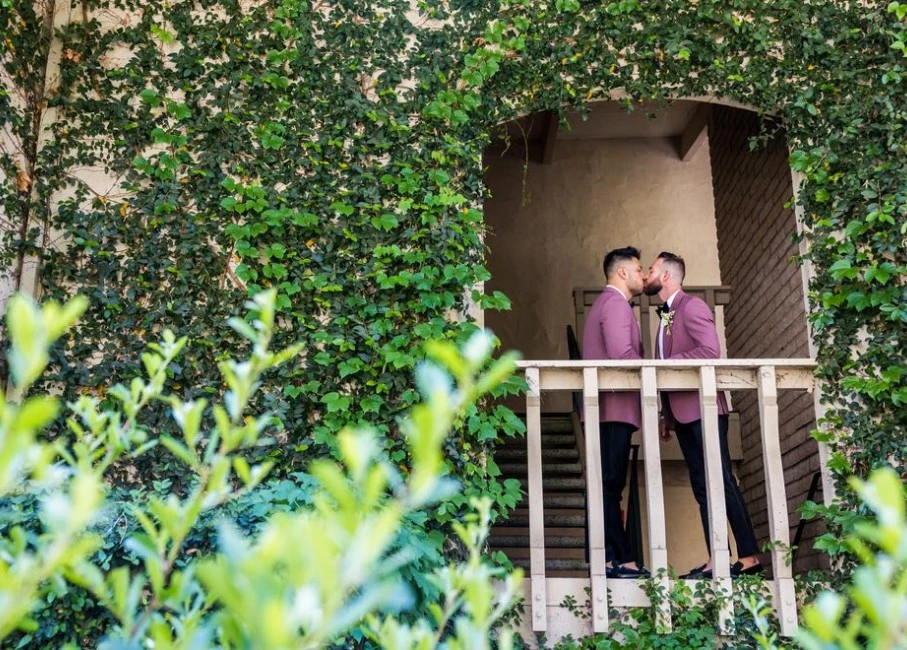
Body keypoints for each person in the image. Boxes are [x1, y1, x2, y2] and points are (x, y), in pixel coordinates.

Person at [643, 251, 762, 579]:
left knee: (721, 480)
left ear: (666, 276)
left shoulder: (691, 306)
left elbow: (710, 351)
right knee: (702, 486)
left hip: (705, 409)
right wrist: (667, 415)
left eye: (651, 269)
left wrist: (666, 365)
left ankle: (750, 555)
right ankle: (717, 558)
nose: (647, 275)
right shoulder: (665, 317)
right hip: (682, 415)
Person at [582, 246, 648, 579]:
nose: (642, 274)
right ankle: (617, 558)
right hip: (613, 406)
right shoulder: (616, 305)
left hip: (608, 407)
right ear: (621, 272)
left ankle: (610, 556)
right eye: (638, 269)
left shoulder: (604, 304)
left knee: (607, 483)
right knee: (610, 484)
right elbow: (623, 356)